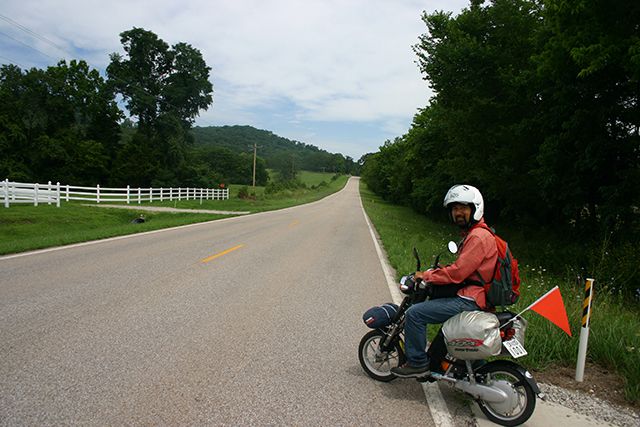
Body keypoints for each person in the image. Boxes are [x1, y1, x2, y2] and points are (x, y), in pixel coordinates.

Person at [390, 184, 498, 377]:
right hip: (473, 296)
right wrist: (441, 271)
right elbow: (465, 269)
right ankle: (467, 369)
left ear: (475, 208)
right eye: (455, 209)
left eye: (463, 208)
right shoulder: (478, 234)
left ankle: (417, 363)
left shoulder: (478, 237)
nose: (458, 213)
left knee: (415, 313)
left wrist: (428, 275)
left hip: (470, 300)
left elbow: (458, 273)